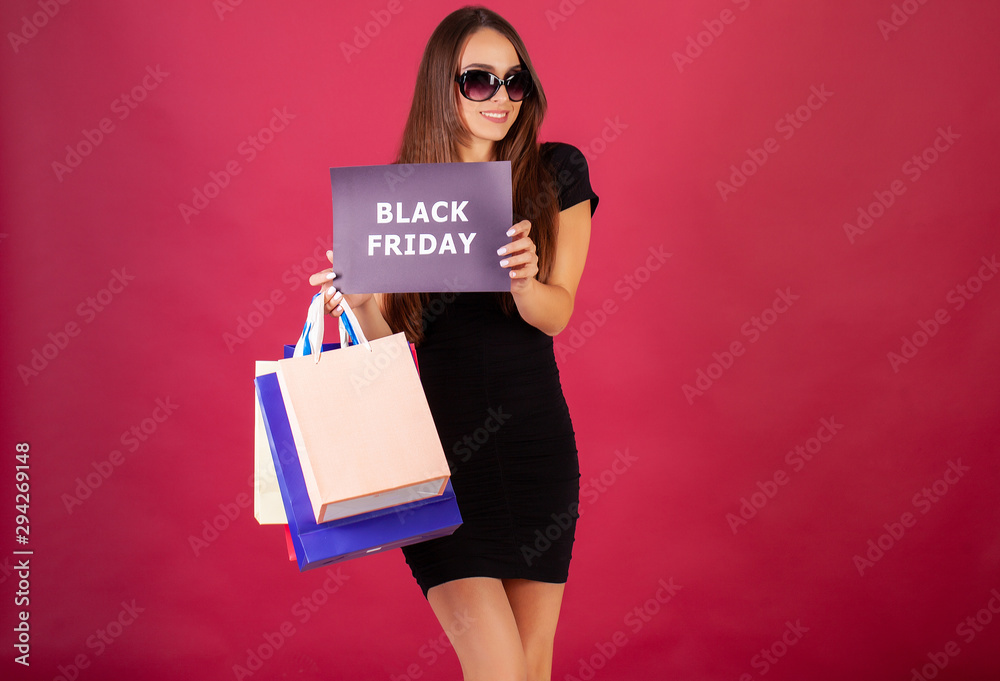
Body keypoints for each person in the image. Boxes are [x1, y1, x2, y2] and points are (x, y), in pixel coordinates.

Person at [308, 6, 598, 680]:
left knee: (531, 667)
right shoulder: (401, 198)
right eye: (478, 81)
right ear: (444, 85)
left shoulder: (556, 173)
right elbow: (388, 345)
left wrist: (526, 281)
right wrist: (357, 306)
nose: (499, 97)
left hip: (535, 450)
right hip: (436, 462)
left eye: (513, 81)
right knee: (497, 671)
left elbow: (557, 313)